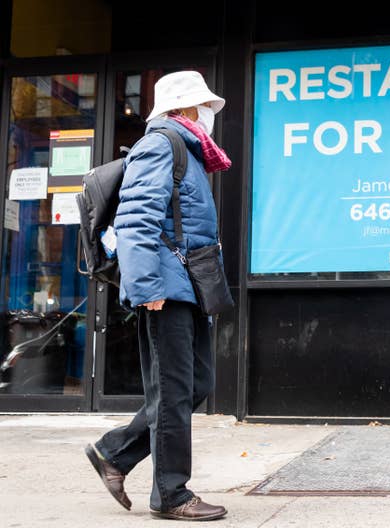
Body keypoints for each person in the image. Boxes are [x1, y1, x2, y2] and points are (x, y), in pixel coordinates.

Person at [84, 70, 231, 521]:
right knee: (171, 391)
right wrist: (146, 286)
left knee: (197, 385)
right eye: (203, 106)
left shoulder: (185, 148)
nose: (208, 114)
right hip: (164, 288)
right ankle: (171, 494)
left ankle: (114, 453)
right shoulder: (160, 144)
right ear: (184, 108)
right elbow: (135, 221)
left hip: (187, 285)